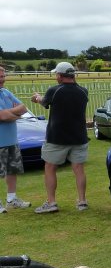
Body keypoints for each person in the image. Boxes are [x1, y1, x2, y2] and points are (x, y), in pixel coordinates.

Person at [30, 62, 89, 213]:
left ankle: (51, 203)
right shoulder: (84, 91)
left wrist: (37, 97)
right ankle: (82, 202)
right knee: (79, 168)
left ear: (60, 76)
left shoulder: (54, 90)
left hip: (57, 137)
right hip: (79, 136)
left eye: (56, 74)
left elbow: (44, 102)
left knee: (50, 167)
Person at [0, 66, 32, 213]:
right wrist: (13, 114)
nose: (3, 79)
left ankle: (11, 199)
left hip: (11, 140)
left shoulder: (6, 92)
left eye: (3, 76)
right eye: (0, 76)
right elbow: (2, 117)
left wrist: (10, 113)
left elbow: (23, 108)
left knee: (12, 170)